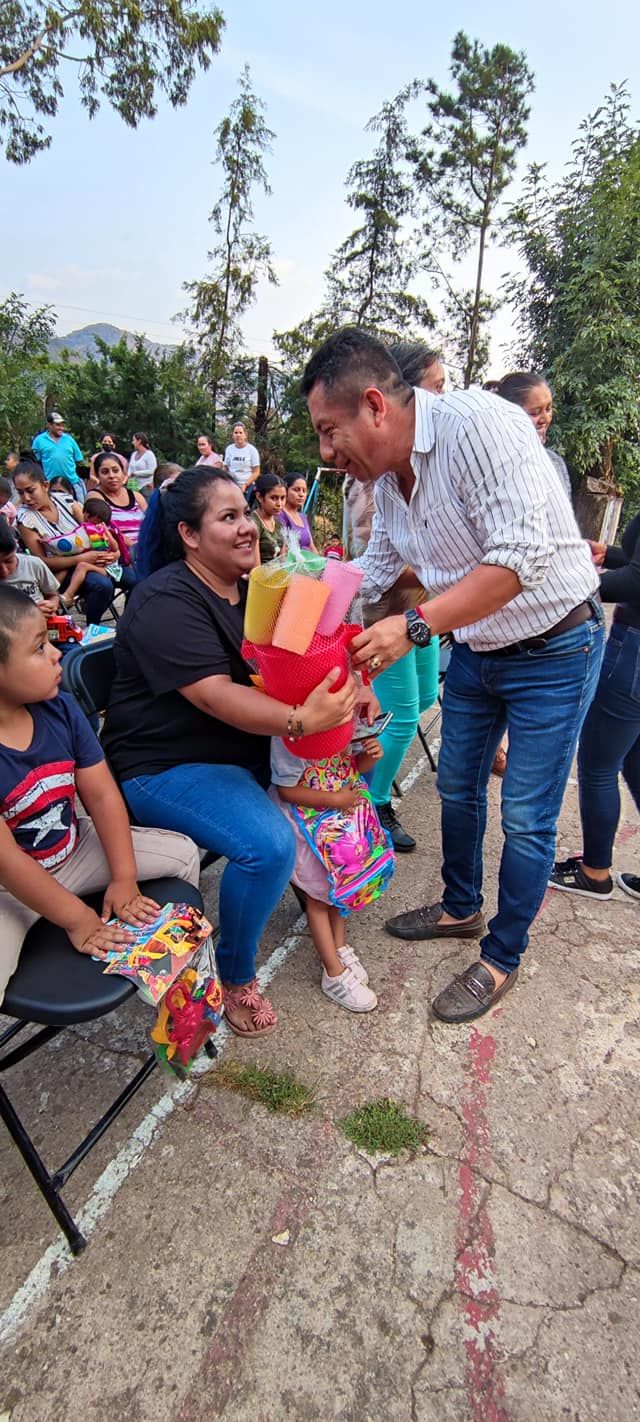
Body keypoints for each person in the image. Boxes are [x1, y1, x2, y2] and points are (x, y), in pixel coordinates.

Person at [302, 327, 604, 1024]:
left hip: (556, 649)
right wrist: (302, 626)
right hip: (478, 650)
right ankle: (462, 907)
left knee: (526, 818)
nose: (326, 453)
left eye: (328, 431)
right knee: (459, 786)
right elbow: (373, 575)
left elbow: (517, 558)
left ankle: (501, 957)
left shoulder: (481, 426)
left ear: (374, 405)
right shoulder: (390, 482)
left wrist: (410, 629)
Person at [101, 467, 360, 1039]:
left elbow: (297, 663)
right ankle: (239, 976)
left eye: (246, 513)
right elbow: (217, 696)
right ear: (190, 535)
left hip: (243, 755)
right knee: (265, 845)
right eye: (229, 517)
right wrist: (301, 719)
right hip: (163, 766)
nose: (247, 527)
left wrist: (348, 683)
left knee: (348, 784)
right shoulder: (164, 599)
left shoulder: (255, 591)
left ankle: (320, 905)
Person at [0, 586, 202, 1006]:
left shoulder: (60, 708)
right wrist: (79, 920)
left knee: (182, 856)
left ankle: (166, 983)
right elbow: (8, 862)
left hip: (72, 851)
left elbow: (103, 795)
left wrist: (124, 876)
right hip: (8, 891)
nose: (57, 653)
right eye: (39, 648)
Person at [343, 341, 443, 852]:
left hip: (423, 608)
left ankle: (368, 790)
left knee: (423, 701)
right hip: (389, 611)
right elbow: (375, 565)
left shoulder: (429, 463)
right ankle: (371, 803)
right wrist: (452, 572)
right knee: (398, 716)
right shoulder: (374, 475)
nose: (443, 401)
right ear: (396, 396)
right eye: (437, 388)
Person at [549, 512, 640, 902]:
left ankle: (594, 871)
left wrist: (570, 582)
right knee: (635, 761)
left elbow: (636, 582)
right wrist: (613, 555)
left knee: (598, 765)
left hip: (633, 651)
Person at [270, 734, 386, 1012]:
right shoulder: (288, 733)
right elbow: (286, 789)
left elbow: (354, 765)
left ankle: (339, 947)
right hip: (309, 820)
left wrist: (370, 754)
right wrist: (335, 800)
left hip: (339, 819)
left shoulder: (346, 717)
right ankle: (333, 972)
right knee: (319, 897)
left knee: (341, 885)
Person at [13, 462, 120, 625]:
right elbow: (41, 562)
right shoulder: (25, 519)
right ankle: (93, 628)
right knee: (102, 585)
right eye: (20, 493)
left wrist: (115, 553)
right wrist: (82, 558)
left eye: (30, 490)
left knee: (132, 576)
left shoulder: (66, 501)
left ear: (45, 485)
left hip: (90, 557)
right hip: (60, 571)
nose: (26, 498)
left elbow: (93, 526)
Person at [495, 373, 572, 503]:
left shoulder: (555, 463)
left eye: (548, 409)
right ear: (509, 415)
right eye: (535, 413)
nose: (546, 419)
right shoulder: (496, 465)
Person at [0, 516, 60, 613]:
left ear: (15, 548)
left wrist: (52, 604)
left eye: (9, 561)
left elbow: (53, 595)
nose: (4, 571)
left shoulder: (33, 564)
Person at [95, 452, 147, 550]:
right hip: (119, 556)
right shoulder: (96, 497)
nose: (111, 475)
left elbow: (151, 522)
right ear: (98, 476)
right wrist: (136, 548)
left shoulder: (136, 496)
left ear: (123, 473)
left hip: (145, 551)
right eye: (105, 472)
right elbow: (105, 530)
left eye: (115, 470)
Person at [32, 413, 85, 493]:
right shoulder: (39, 441)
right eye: (57, 425)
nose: (61, 428)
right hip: (50, 484)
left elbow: (79, 459)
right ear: (49, 425)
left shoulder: (69, 440)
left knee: (81, 504)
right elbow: (35, 462)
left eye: (62, 425)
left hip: (72, 482)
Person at [250, 473, 287, 563]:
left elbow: (283, 561)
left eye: (282, 498)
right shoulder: (253, 523)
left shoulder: (280, 524)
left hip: (276, 574)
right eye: (274, 498)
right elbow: (256, 568)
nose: (279, 504)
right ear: (259, 497)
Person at [278, 475, 317, 551]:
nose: (301, 494)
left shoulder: (303, 517)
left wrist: (321, 561)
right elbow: (283, 548)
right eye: (296, 490)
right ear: (285, 491)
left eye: (304, 491)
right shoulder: (280, 514)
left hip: (307, 560)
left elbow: (311, 545)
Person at [223, 422, 260, 492]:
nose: (238, 435)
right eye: (236, 433)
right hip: (231, 484)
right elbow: (225, 468)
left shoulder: (252, 450)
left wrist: (245, 484)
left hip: (247, 485)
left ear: (245, 435)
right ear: (232, 435)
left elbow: (256, 472)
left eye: (240, 432)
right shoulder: (229, 449)